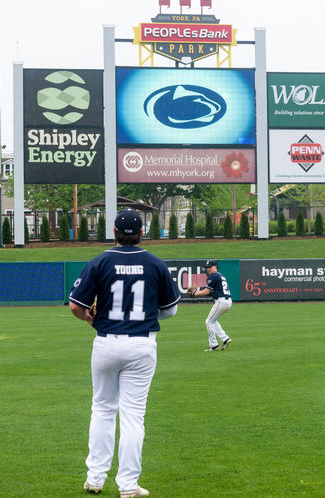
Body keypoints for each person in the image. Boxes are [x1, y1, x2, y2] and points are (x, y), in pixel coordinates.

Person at [68, 208, 180, 498]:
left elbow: (75, 306)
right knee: (133, 416)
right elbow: (170, 310)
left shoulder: (100, 261)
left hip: (106, 342)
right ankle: (128, 485)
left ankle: (95, 478)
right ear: (142, 233)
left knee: (103, 409)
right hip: (142, 344)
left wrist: (89, 319)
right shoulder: (155, 263)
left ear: (114, 233)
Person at [190, 259, 232, 351]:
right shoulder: (220, 275)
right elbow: (210, 292)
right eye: (207, 267)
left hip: (221, 301)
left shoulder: (213, 276)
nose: (208, 269)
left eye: (210, 267)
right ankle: (225, 339)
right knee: (213, 320)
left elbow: (207, 291)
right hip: (227, 301)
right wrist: (199, 291)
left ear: (215, 266)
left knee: (208, 321)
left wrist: (196, 293)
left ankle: (213, 345)